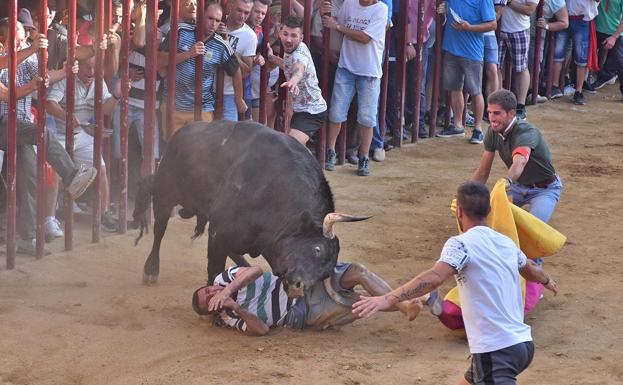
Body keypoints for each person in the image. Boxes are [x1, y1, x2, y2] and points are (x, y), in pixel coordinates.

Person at [353, 181, 558, 385]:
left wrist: (388, 299)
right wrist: (546, 280)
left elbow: (434, 278)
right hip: (522, 346)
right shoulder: (505, 242)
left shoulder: (461, 244)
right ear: (488, 210)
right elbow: (530, 269)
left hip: (497, 350)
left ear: (459, 210)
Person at [192, 262, 437, 336]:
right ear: (214, 310)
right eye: (210, 299)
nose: (213, 292)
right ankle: (413, 301)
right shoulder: (230, 316)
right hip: (302, 311)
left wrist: (226, 290)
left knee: (357, 272)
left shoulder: (223, 279)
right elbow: (262, 330)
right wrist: (234, 305)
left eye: (209, 290)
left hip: (300, 281)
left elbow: (256, 270)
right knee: (353, 301)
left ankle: (407, 305)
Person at [46, 57, 123, 232]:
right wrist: (66, 116)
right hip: (58, 135)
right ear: (76, 65)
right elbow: (49, 104)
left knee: (101, 169)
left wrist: (117, 95)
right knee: (56, 175)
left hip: (81, 134)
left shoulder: (98, 81)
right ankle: (49, 219)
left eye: (95, 67)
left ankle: (103, 214)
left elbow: (106, 110)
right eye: (87, 67)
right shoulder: (65, 80)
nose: (91, 71)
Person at [471, 89, 562, 223]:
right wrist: (467, 192)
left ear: (511, 113)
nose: (492, 118)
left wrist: (506, 181)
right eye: (489, 112)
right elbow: (483, 170)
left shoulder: (526, 132)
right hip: (518, 186)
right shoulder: (492, 132)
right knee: (490, 220)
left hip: (544, 190)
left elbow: (519, 163)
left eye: (497, 113)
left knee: (533, 229)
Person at [321, 0, 388, 176]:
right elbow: (337, 22)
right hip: (347, 67)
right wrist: (326, 16)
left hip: (369, 72)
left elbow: (365, 38)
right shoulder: (350, 3)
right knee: (336, 112)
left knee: (366, 117)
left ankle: (363, 156)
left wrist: (337, 26)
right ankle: (331, 151)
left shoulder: (381, 9)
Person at [158, 1, 246, 135]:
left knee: (199, 153)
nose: (213, 24)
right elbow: (161, 59)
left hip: (202, 108)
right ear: (201, 15)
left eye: (217, 20)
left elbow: (236, 71)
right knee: (173, 150)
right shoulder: (180, 31)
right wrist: (188, 54)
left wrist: (239, 99)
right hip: (174, 105)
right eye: (210, 18)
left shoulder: (221, 45)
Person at [433, 0, 497, 144]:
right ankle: (457, 125)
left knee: (475, 91)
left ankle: (478, 129)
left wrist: (470, 27)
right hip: (452, 48)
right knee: (455, 89)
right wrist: (443, 8)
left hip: (471, 51)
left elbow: (493, 24)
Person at [266, 15, 327, 146]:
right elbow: (288, 65)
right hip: (301, 110)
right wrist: (271, 57)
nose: (288, 39)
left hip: (312, 112)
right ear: (279, 33)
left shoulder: (300, 53)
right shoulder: (291, 50)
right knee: (298, 150)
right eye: (285, 34)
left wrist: (293, 80)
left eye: (293, 35)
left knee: (290, 146)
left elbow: (298, 69)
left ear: (301, 38)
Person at [498, 0, 539, 119]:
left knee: (521, 68)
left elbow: (529, 10)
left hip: (519, 29)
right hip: (500, 28)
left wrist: (508, 2)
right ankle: (499, 103)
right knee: (496, 67)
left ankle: (521, 105)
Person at [220, 0, 258, 121]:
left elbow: (246, 71)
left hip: (229, 93)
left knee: (229, 135)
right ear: (231, 7)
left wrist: (227, 45)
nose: (242, 16)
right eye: (239, 10)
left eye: (246, 12)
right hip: (206, 90)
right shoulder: (216, 22)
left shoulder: (249, 36)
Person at [590, 0, 623, 96]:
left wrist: (614, 36)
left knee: (620, 61)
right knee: (590, 56)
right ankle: (598, 78)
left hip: (615, 32)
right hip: (596, 29)